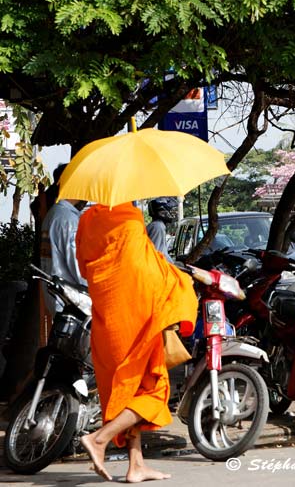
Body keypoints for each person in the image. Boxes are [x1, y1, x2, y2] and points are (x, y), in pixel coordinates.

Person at [75, 202, 197, 482]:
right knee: (154, 390)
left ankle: (136, 465)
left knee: (127, 392)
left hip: (107, 320)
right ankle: (99, 439)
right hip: (136, 319)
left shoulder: (86, 221)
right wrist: (179, 280)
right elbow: (144, 269)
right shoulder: (129, 215)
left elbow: (85, 268)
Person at [40, 164, 87, 316]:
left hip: (57, 299)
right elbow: (79, 268)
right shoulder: (68, 221)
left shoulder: (54, 214)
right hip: (72, 302)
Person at [146, 197, 178, 262]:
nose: (174, 214)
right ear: (162, 212)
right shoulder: (157, 227)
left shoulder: (159, 226)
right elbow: (155, 254)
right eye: (171, 211)